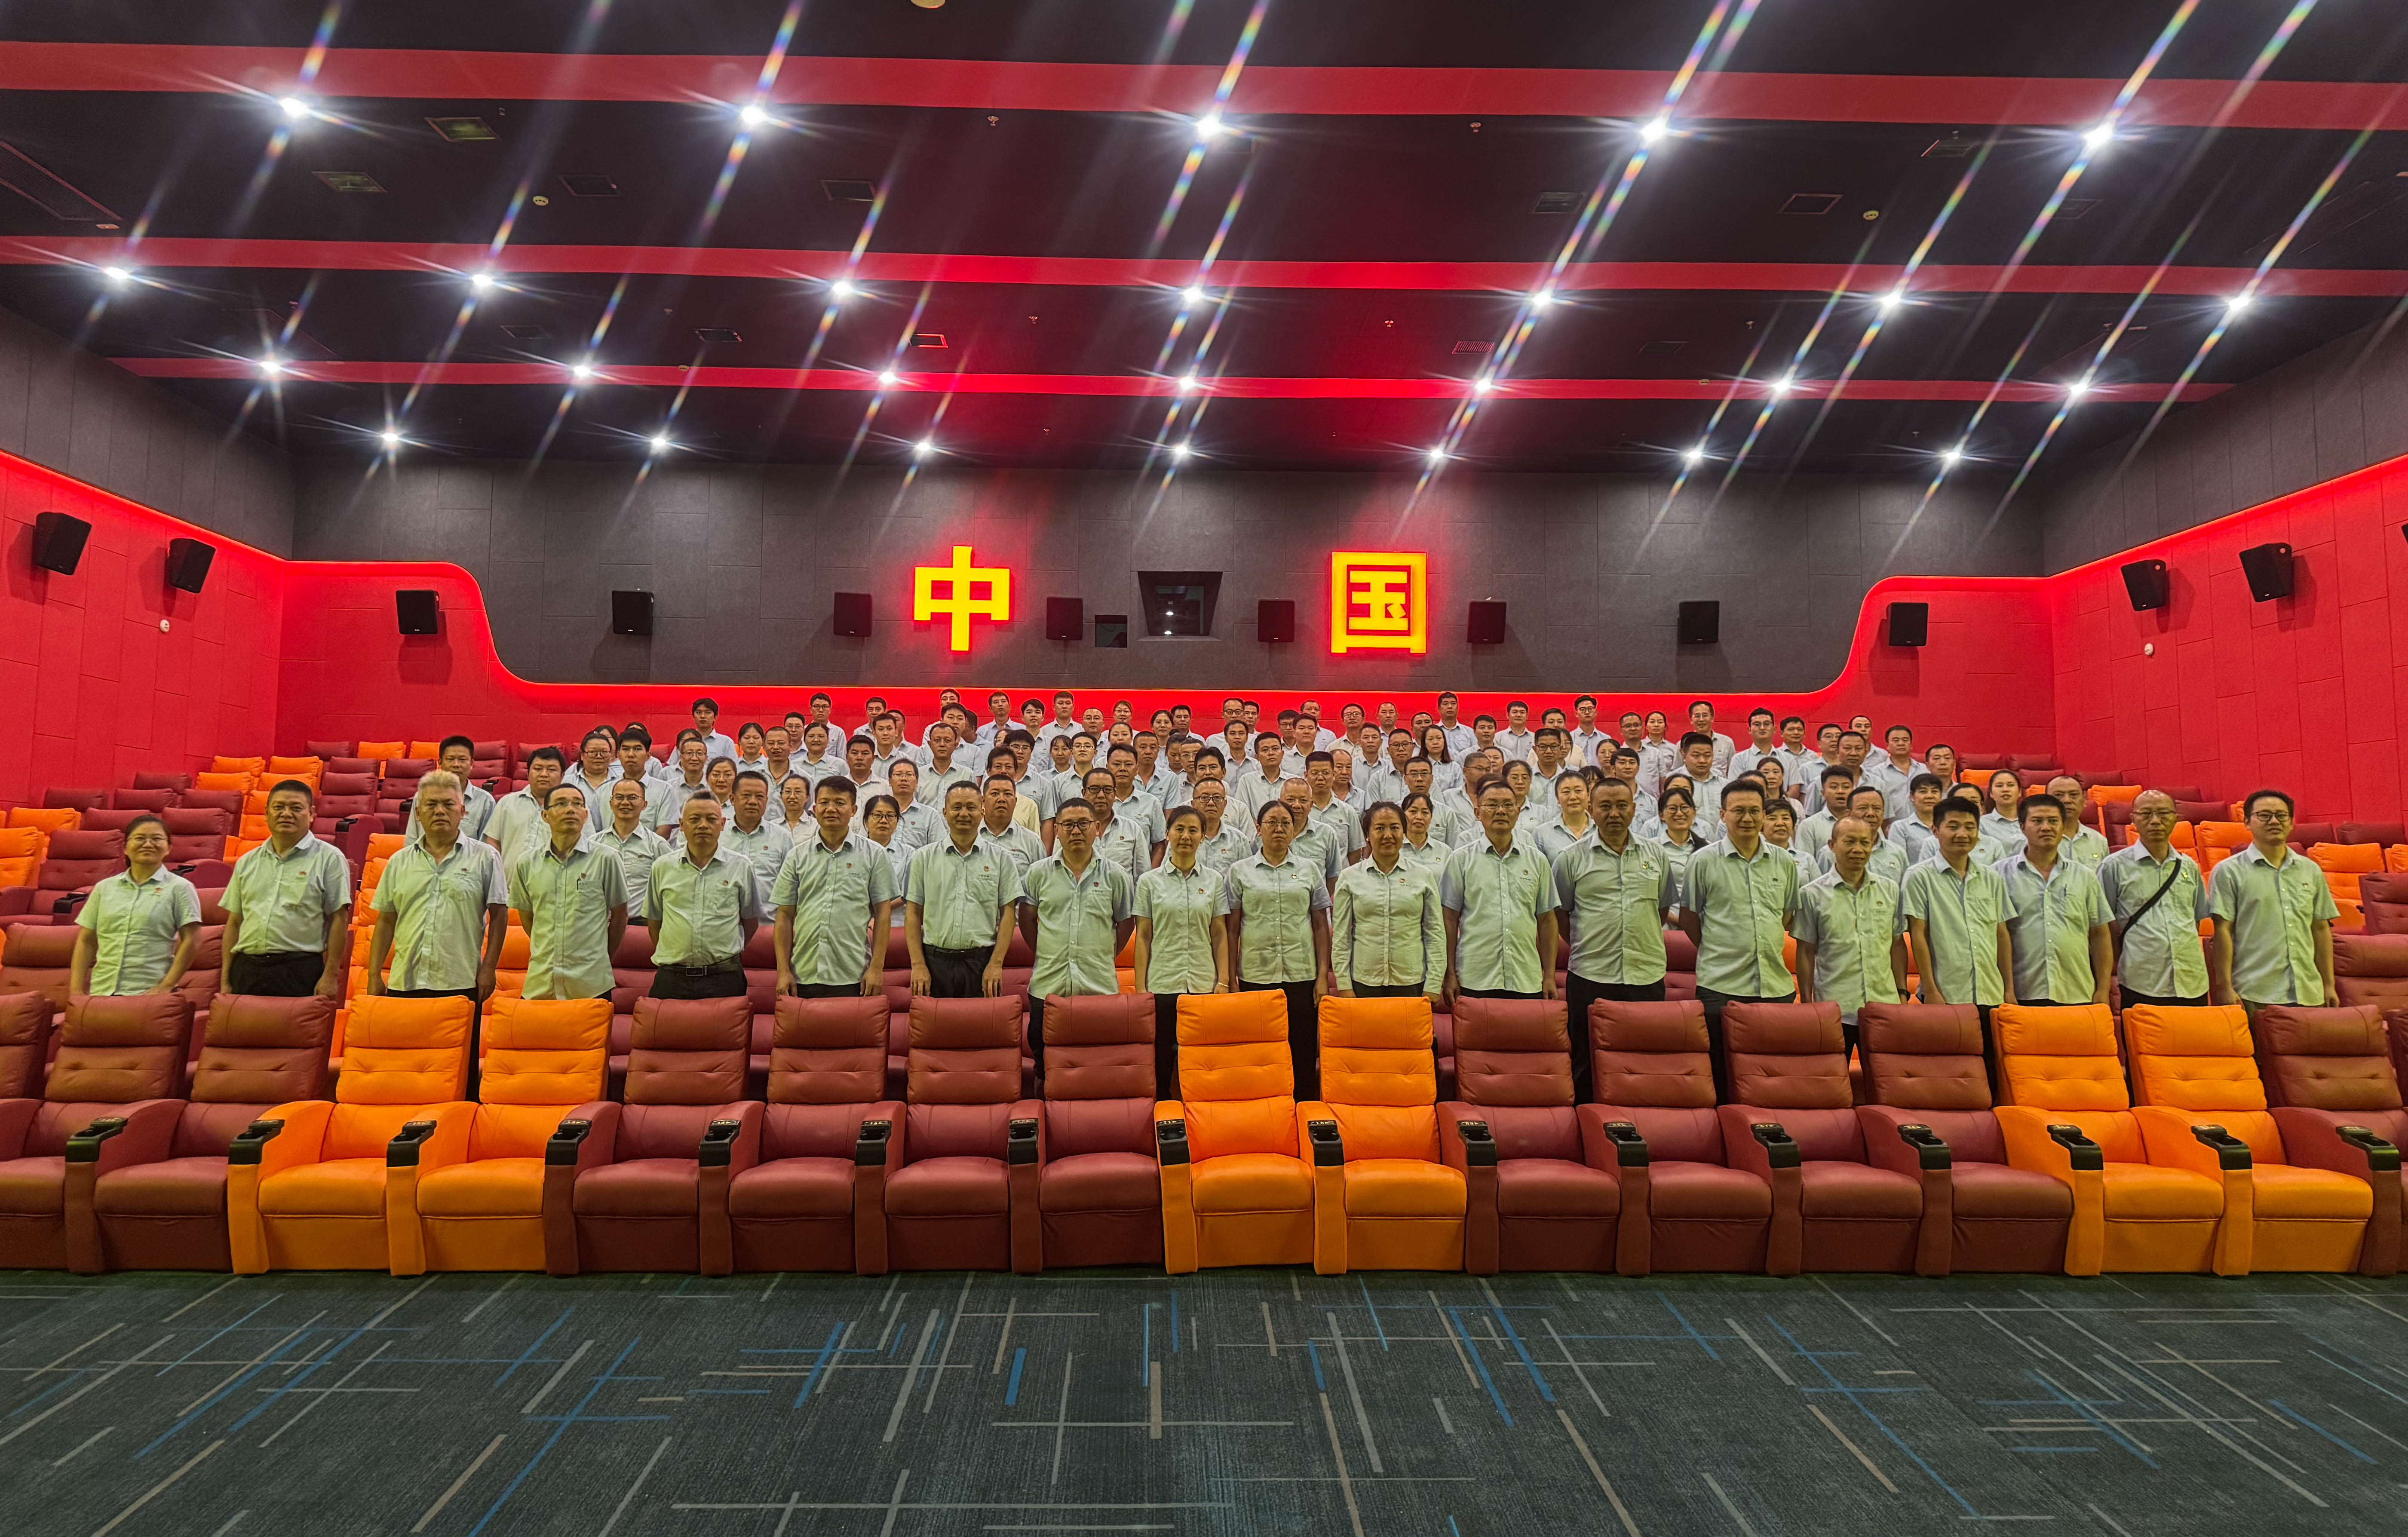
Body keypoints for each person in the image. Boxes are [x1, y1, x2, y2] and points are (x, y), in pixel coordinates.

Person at [1551, 776, 1673, 1101]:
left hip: (1645, 974)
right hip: (1590, 974)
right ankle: (1585, 1120)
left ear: (1634, 809)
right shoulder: (1571, 858)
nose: (1614, 813)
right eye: (1605, 806)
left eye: (1621, 806)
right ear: (1591, 810)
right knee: (1585, 1060)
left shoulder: (1657, 855)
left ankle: (1639, 1119)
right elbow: (1561, 915)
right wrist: (1588, 943)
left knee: (1643, 1059)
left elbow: (1661, 909)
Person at [1681, 779, 1801, 1096]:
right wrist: (1717, 947)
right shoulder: (1703, 861)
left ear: (1763, 815)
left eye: (1754, 811)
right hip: (1721, 985)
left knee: (1773, 1077)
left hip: (1775, 987)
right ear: (1723, 815)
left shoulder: (1784, 862)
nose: (1747, 818)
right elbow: (1690, 918)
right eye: (1738, 811)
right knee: (1721, 1077)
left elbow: (1786, 915)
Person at [1019, 796, 1136, 1082]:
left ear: (1097, 828)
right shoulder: (1038, 873)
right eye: (1068, 825)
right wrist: (1045, 951)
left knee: (1099, 1065)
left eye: (1083, 824)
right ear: (1056, 830)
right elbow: (1027, 920)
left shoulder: (1116, 876)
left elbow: (1126, 922)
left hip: (1099, 986)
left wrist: (1105, 954)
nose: (1076, 831)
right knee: (1045, 1066)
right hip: (1048, 986)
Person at [368, 771, 508, 1007]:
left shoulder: (486, 858)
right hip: (404, 982)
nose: (440, 811)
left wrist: (489, 968)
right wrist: (374, 975)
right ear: (418, 813)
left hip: (460, 982)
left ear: (463, 812)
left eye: (448, 804)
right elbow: (386, 921)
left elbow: (499, 916)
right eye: (431, 805)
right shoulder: (399, 862)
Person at [1226, 799, 1334, 1096]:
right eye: (1272, 823)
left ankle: (1303, 1108)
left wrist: (1322, 977)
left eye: (1286, 823)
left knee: (1302, 1052)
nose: (1279, 829)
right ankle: (1264, 1107)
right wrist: (1230, 978)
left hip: (1301, 975)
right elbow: (1232, 928)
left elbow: (1320, 925)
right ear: (1258, 828)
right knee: (1259, 1054)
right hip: (1255, 975)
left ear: (1294, 830)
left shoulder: (1310, 870)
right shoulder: (1239, 872)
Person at [1903, 796, 2017, 1076]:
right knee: (1950, 1074)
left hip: (1990, 993)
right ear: (1935, 830)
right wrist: (1931, 990)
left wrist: (2008, 990)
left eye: (1969, 827)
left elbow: (2001, 935)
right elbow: (1918, 935)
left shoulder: (1991, 877)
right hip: (1946, 993)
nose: (1962, 834)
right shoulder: (1919, 876)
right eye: (1953, 826)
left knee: (1992, 1072)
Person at [2208, 788, 2339, 1013]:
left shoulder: (2311, 870)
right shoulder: (2229, 871)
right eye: (2265, 816)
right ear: (2247, 822)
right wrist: (2225, 987)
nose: (2274, 822)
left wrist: (2328, 985)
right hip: (2255, 992)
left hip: (2309, 992)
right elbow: (2222, 932)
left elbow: (2320, 929)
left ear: (2291, 823)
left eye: (2281, 816)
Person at [1132, 806, 1232, 1094]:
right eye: (1179, 829)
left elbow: (1219, 933)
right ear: (1167, 834)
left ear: (1203, 837)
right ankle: (1164, 1113)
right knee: (1161, 1061)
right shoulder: (1149, 882)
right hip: (1162, 984)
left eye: (1193, 830)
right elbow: (1143, 937)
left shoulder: (1214, 880)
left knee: (1202, 1062)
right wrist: (1141, 988)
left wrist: (1223, 981)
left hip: (1203, 984)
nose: (1186, 836)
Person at [221, 778, 353, 997]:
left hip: (299, 969)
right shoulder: (247, 862)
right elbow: (235, 922)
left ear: (311, 814)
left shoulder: (330, 858)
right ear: (266, 813)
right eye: (279, 807)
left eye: (296, 808)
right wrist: (226, 979)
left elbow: (339, 919)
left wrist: (331, 975)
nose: (286, 814)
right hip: (246, 970)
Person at [772, 775, 899, 1000]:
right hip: (803, 972)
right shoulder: (796, 857)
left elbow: (883, 914)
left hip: (854, 973)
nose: (831, 809)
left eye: (840, 803)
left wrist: (876, 969)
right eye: (824, 802)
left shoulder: (874, 855)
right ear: (814, 809)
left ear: (854, 810)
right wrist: (783, 971)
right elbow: (784, 916)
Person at [1792, 814, 1908, 1058]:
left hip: (1884, 1005)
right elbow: (1805, 951)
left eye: (1865, 843)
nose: (1858, 849)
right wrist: (1806, 1002)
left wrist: (1902, 994)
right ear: (1832, 845)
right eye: (1850, 842)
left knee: (1888, 1078)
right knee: (1831, 1078)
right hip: (1835, 1008)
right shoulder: (1812, 895)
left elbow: (1897, 944)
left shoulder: (1890, 890)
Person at [1441, 780, 1561, 1007]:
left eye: (1508, 805)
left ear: (1518, 812)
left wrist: (1549, 975)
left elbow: (1547, 920)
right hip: (1475, 977)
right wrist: (1451, 973)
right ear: (1478, 813)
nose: (1501, 811)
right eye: (1492, 805)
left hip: (1526, 978)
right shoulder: (1460, 860)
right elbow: (1449, 919)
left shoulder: (1537, 861)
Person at [508, 783, 629, 1001]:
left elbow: (620, 915)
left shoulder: (607, 859)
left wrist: (601, 958)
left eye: (577, 804)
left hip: (591, 983)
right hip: (541, 981)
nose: (571, 809)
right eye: (561, 804)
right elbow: (527, 916)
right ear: (545, 816)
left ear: (585, 815)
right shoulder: (527, 863)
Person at [1993, 792, 2113, 1009]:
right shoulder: (1999, 875)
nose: (2046, 828)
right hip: (2022, 992)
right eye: (2037, 821)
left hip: (2077, 990)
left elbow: (2100, 934)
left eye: (2053, 821)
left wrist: (2103, 989)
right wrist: (2006, 989)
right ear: (2022, 827)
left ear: (2063, 826)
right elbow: (1995, 936)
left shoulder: (2084, 876)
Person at [905, 781, 1022, 998]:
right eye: (957, 808)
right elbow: (912, 914)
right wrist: (918, 965)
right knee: (933, 1020)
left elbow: (1008, 914)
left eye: (971, 807)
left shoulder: (1001, 859)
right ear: (945, 812)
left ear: (982, 811)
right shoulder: (924, 858)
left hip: (982, 963)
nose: (964, 814)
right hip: (934, 963)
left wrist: (996, 964)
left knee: (982, 1020)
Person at [2100, 788, 2213, 1007]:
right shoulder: (2113, 867)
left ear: (2176, 818)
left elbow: (2195, 920)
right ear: (2133, 819)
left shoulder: (2188, 866)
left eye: (2163, 814)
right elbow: (2104, 926)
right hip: (2142, 980)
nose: (2155, 821)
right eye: (2146, 814)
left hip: (2192, 980)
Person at [645, 791, 762, 1000]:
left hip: (724, 976)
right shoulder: (662, 867)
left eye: (711, 819)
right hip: (672, 977)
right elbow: (655, 921)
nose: (703, 825)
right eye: (695, 819)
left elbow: (751, 922)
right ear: (682, 825)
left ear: (723, 824)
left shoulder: (741, 867)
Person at [71, 813, 202, 997]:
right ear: (125, 848)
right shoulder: (104, 888)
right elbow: (87, 940)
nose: (148, 844)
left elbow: (193, 940)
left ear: (169, 848)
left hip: (149, 994)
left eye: (157, 839)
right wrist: (76, 990)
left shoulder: (180, 888)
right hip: (101, 993)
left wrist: (166, 986)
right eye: (140, 838)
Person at [1332, 801, 1446, 1007]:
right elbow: (1342, 936)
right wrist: (1344, 984)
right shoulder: (1350, 877)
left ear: (1404, 832)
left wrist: (1434, 982)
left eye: (1395, 828)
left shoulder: (1423, 876)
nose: (1388, 835)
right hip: (1364, 981)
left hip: (1411, 980)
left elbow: (1435, 933)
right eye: (1379, 828)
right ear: (1367, 835)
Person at [598, 777, 671, 927]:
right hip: (600, 924)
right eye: (619, 797)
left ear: (644, 804)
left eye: (632, 798)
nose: (625, 803)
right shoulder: (595, 844)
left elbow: (670, 886)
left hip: (642, 925)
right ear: (611, 803)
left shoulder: (658, 845)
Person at [720, 769, 793, 910]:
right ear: (733, 799)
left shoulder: (782, 837)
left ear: (766, 800)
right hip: (725, 920)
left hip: (768, 920)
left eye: (760, 797)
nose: (753, 802)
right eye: (746, 796)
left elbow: (791, 886)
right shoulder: (719, 835)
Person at [407, 736, 497, 846]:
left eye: (462, 760)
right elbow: (412, 840)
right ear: (440, 763)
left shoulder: (485, 801)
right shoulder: (423, 796)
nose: (456, 765)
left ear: (472, 763)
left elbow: (486, 846)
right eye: (450, 759)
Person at [488, 745, 565, 871]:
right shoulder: (507, 803)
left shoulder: (573, 808)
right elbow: (493, 842)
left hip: (555, 882)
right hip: (509, 881)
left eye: (552, 770)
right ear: (528, 774)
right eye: (538, 769)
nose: (544, 774)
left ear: (562, 776)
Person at [976, 773, 1044, 878]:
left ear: (1015, 801)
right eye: (995, 794)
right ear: (983, 801)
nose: (1001, 799)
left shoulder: (1032, 842)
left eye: (1008, 794)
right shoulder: (970, 837)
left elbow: (1042, 880)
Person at [1795, 765, 1858, 871]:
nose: (1840, 791)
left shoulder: (1863, 824)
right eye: (1834, 787)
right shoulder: (1809, 825)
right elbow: (1804, 864)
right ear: (1823, 793)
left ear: (1854, 791)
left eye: (1846, 787)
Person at [2048, 776, 2111, 867]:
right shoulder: (2032, 840)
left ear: (2084, 800)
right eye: (2059, 795)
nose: (2067, 800)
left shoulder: (2099, 841)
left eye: (2074, 795)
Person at [1532, 771, 1593, 862]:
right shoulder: (1541, 834)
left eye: (1578, 791)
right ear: (1557, 798)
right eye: (1566, 792)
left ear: (1588, 795)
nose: (1573, 797)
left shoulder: (1601, 830)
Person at [1981, 770, 2028, 860]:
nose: (2005, 790)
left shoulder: (2031, 821)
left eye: (2011, 785)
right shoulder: (1982, 824)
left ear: (2020, 792)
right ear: (1991, 793)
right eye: (1999, 786)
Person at [689, 695, 738, 765]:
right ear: (693, 717)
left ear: (715, 717)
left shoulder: (726, 742)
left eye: (708, 713)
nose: (703, 716)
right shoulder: (686, 739)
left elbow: (734, 767)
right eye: (699, 713)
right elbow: (674, 766)